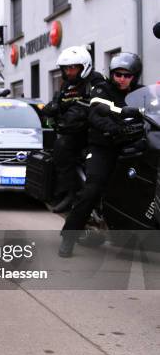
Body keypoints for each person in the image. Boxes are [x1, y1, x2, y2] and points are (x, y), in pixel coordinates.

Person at [59, 52, 144, 257]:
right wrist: (116, 129)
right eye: (117, 74)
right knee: (92, 189)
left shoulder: (142, 93)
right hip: (104, 147)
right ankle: (69, 237)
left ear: (135, 76)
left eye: (127, 75)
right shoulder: (102, 89)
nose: (121, 79)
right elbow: (97, 112)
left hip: (133, 147)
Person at [42, 46, 105, 212]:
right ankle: (67, 191)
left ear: (84, 67)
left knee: (62, 146)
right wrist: (52, 108)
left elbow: (96, 104)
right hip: (74, 131)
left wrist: (77, 112)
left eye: (73, 68)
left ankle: (72, 193)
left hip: (94, 131)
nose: (69, 72)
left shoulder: (96, 81)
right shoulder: (67, 86)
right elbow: (58, 104)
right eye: (66, 68)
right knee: (57, 146)